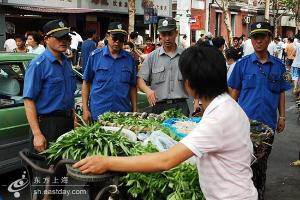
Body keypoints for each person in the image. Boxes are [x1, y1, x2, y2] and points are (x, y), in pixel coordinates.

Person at [73, 44, 258, 200]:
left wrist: (107, 162)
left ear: (189, 84)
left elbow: (165, 161)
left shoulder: (219, 117)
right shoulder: (227, 107)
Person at [228, 22, 291, 200]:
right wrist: (228, 118)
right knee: (242, 163)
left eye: (262, 36)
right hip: (243, 125)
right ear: (251, 40)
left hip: (267, 126)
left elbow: (281, 92)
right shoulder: (242, 65)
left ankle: (258, 193)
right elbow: (233, 94)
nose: (259, 40)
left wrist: (283, 116)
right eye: (255, 37)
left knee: (261, 164)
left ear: (269, 38)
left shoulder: (280, 66)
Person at [23, 19, 76, 200]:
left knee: (59, 178)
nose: (64, 41)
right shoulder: (39, 65)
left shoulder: (67, 63)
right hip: (46, 126)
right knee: (43, 180)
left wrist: (74, 117)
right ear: (46, 39)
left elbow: (67, 95)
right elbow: (29, 101)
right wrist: (37, 134)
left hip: (65, 125)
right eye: (59, 38)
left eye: (66, 37)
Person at [82, 22, 137, 123]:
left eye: (121, 39)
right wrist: (85, 109)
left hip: (122, 114)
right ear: (107, 36)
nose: (117, 42)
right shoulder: (95, 56)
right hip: (99, 113)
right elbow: (86, 83)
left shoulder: (129, 59)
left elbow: (132, 85)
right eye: (115, 37)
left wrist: (134, 109)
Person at [137, 18, 189, 116]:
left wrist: (196, 101)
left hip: (181, 106)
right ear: (159, 35)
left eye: (170, 34)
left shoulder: (186, 55)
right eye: (164, 35)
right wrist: (148, 91)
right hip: (158, 107)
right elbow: (140, 80)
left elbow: (194, 80)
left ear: (176, 33)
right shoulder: (152, 57)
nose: (167, 38)